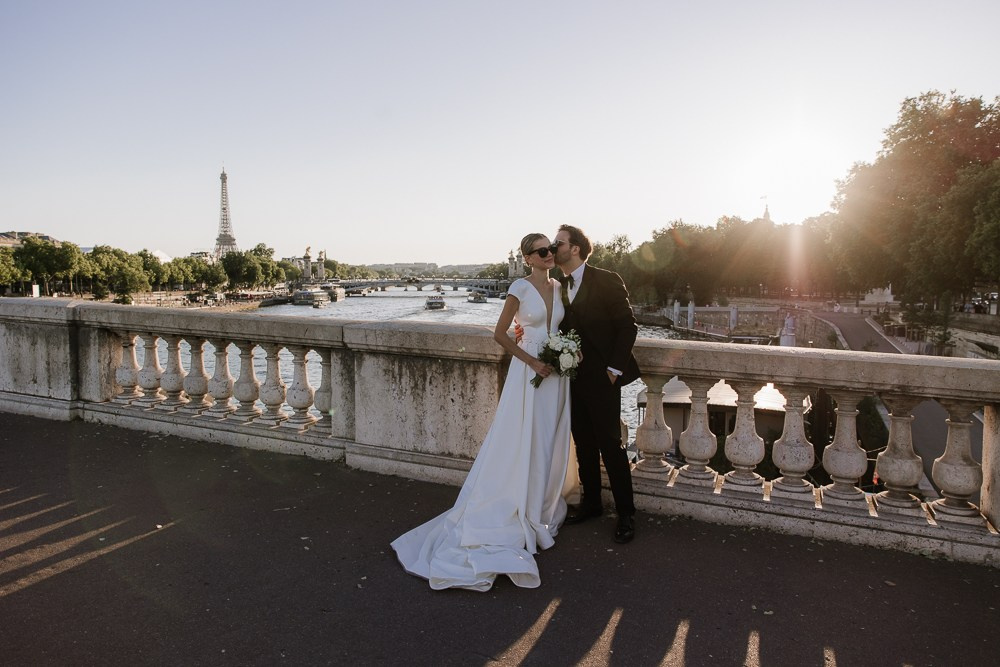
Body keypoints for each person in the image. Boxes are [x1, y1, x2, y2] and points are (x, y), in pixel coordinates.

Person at [391, 233, 576, 591]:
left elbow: (562, 326)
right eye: (542, 251)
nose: (549, 254)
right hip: (531, 371)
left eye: (551, 249)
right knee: (524, 437)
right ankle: (517, 507)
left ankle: (539, 505)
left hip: (557, 372)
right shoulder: (519, 288)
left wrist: (569, 350)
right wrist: (533, 362)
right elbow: (501, 334)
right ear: (527, 258)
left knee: (549, 436)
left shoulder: (560, 286)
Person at [552, 224, 640, 544]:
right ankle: (592, 504)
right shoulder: (558, 286)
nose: (552, 248)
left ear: (574, 248)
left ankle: (626, 513)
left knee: (611, 446)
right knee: (584, 444)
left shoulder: (606, 279)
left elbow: (627, 327)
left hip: (604, 378)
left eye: (557, 243)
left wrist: (614, 370)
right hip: (572, 377)